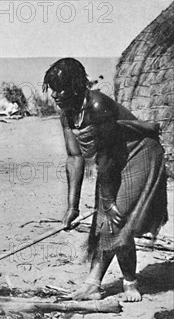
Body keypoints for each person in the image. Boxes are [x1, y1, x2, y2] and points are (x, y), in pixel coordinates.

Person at [43, 58, 168, 302]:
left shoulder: (98, 106)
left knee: (115, 218)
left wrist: (109, 203)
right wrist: (72, 206)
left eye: (61, 88)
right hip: (112, 159)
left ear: (77, 86)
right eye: (53, 89)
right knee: (103, 222)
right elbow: (74, 157)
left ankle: (130, 283)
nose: (56, 95)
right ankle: (93, 283)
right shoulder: (67, 111)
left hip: (139, 154)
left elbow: (107, 159)